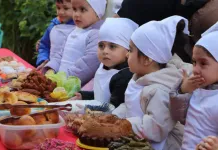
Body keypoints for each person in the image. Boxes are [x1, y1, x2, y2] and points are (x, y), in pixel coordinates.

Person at [112, 16, 191, 150]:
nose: (126, 55)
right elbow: (130, 105)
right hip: (137, 139)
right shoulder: (139, 79)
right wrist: (114, 117)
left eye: (130, 50)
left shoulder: (160, 90)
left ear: (147, 59)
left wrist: (123, 124)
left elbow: (156, 127)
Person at [170, 22, 218, 150]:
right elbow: (178, 116)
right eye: (194, 62)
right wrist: (182, 90)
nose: (195, 69)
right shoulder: (197, 88)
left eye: (203, 63)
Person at [71, 18, 138, 108]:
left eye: (112, 46)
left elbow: (113, 107)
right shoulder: (103, 67)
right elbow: (102, 96)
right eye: (101, 45)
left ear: (127, 51)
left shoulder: (125, 77)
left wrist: (88, 108)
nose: (105, 51)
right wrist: (83, 96)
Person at [43, 0, 106, 86]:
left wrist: (62, 79)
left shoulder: (97, 35)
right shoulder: (73, 31)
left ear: (97, 12)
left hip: (74, 87)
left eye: (82, 10)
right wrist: (51, 69)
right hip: (59, 83)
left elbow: (86, 66)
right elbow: (60, 54)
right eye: (74, 9)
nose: (76, 14)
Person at [36, 0, 75, 68]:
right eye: (58, 8)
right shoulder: (53, 26)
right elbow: (44, 46)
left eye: (66, 8)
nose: (61, 12)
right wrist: (43, 60)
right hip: (50, 69)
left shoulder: (80, 28)